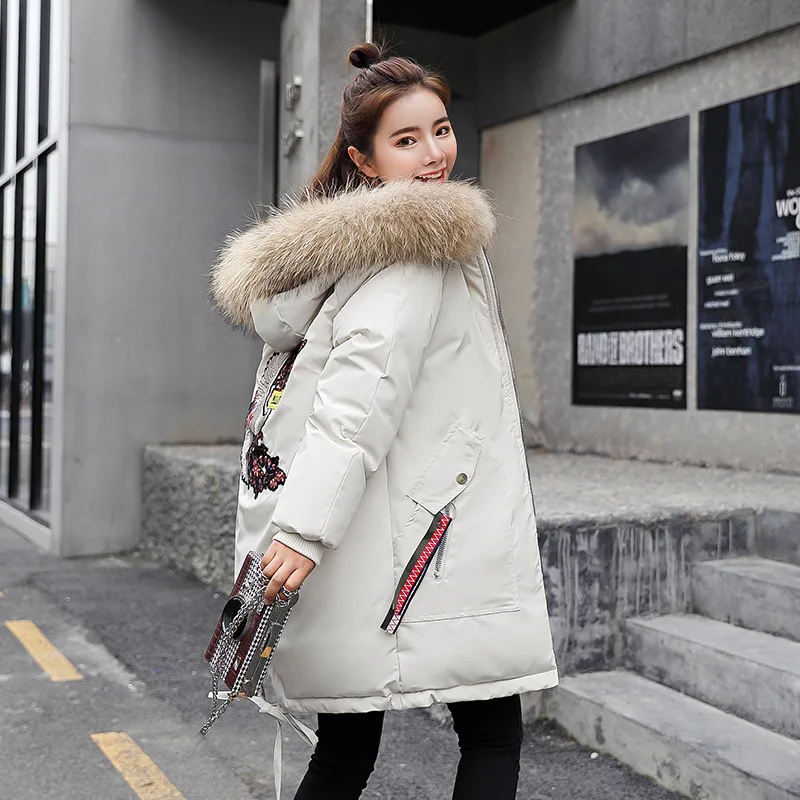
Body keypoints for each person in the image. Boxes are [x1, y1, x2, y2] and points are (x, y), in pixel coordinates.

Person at [210, 41, 557, 800]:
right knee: (491, 734)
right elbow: (356, 400)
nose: (434, 154)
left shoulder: (349, 252)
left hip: (389, 537)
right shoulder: (413, 249)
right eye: (407, 140)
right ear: (364, 161)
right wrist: (304, 532)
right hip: (438, 537)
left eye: (441, 129)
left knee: (347, 746)